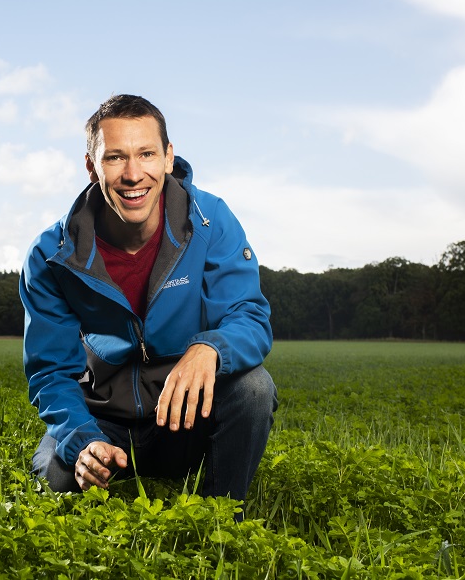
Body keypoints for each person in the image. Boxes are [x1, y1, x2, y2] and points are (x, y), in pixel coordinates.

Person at [19, 94, 277, 512]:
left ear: (169, 157)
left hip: (184, 419)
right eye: (115, 158)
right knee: (57, 476)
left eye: (147, 154)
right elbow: (50, 372)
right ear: (91, 166)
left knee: (253, 387)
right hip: (103, 422)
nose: (134, 174)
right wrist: (83, 441)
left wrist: (210, 348)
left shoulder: (210, 221)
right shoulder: (51, 255)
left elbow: (249, 315)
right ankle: (93, 461)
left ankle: (222, 517)